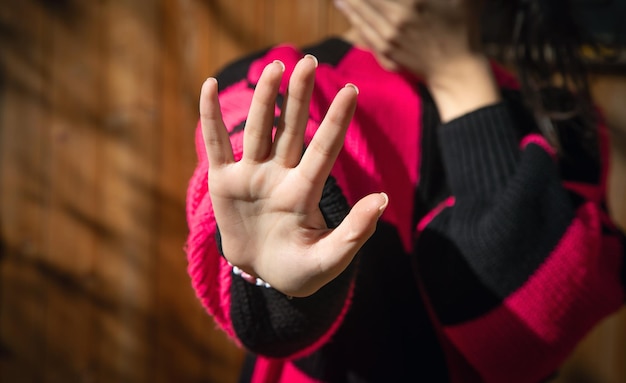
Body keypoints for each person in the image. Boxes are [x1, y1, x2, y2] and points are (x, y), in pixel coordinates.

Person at [186, 0, 626, 381]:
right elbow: (266, 316)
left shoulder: (565, 123)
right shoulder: (278, 83)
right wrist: (267, 278)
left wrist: (459, 75)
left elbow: (525, 342)